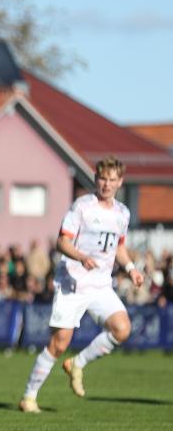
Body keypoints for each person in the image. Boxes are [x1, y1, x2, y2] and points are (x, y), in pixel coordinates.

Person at [20, 157, 144, 413]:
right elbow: (62, 242)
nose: (106, 184)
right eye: (102, 179)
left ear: (120, 182)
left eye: (112, 180)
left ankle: (77, 363)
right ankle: (29, 397)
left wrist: (131, 269)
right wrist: (81, 256)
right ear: (95, 178)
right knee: (59, 344)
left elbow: (119, 246)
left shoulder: (122, 213)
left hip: (100, 285)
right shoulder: (82, 207)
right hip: (73, 283)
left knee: (122, 329)